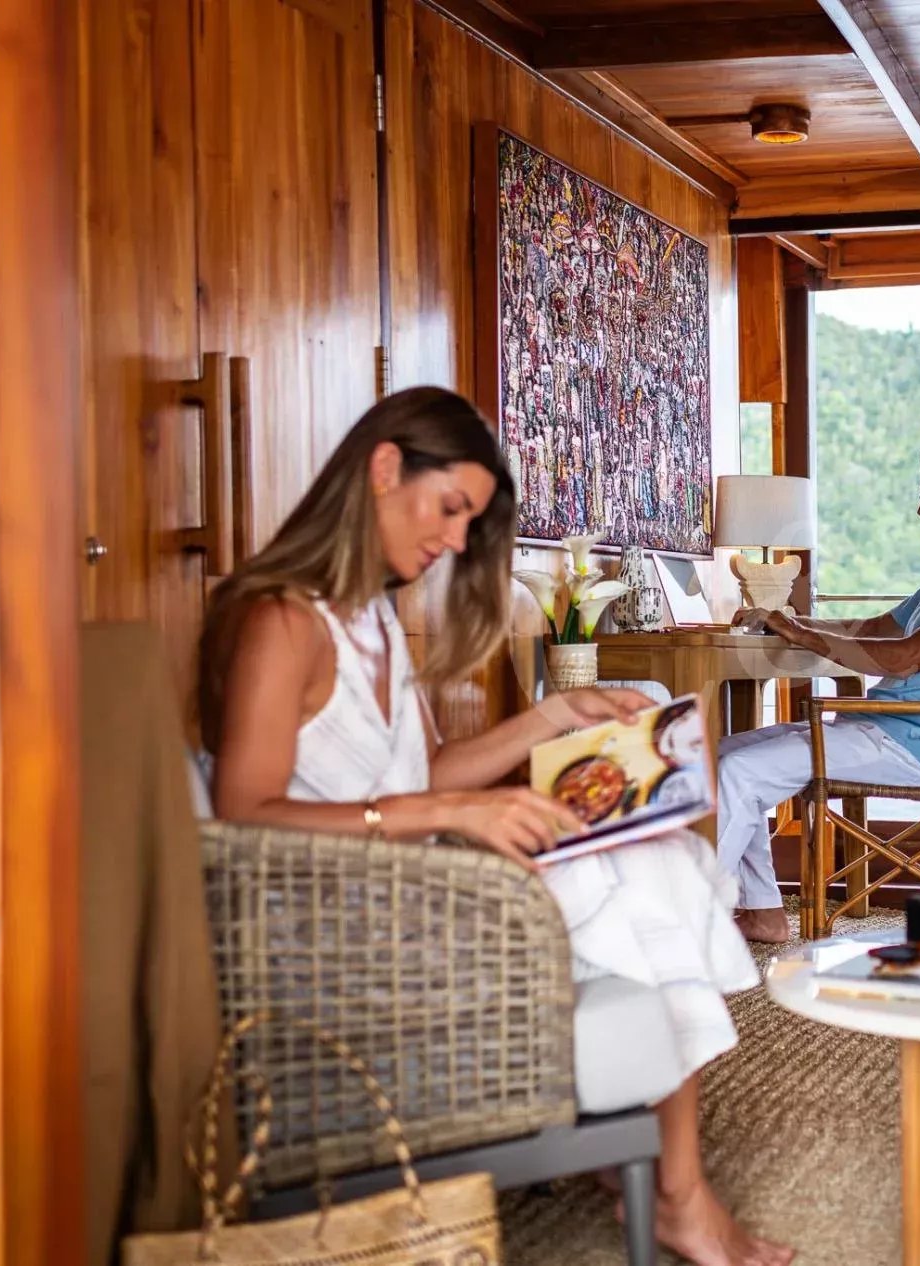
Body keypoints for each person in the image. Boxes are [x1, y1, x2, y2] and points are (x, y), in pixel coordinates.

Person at [198, 387, 792, 1266]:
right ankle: (678, 1194)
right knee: (650, 874)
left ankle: (671, 1176)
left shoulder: (372, 619)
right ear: (384, 468)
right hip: (344, 924)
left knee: (657, 848)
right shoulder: (281, 618)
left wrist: (558, 716)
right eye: (449, 509)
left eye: (468, 523)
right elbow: (243, 813)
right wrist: (450, 814)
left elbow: (425, 772)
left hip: (418, 884)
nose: (452, 541)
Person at [717, 441, 920, 944]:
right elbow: (877, 629)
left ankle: (687, 925)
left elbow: (902, 657)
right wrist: (794, 623)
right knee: (723, 756)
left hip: (910, 746)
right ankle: (763, 913)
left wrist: (799, 633)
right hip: (881, 729)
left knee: (738, 772)